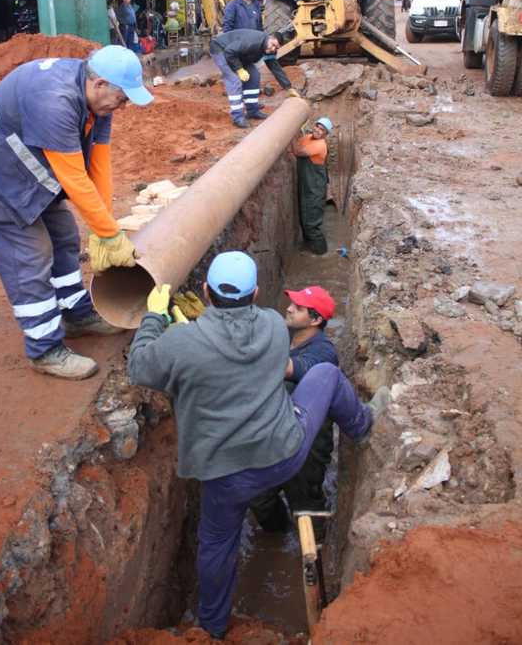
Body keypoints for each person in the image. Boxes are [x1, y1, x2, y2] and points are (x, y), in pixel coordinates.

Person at [128, 251, 390, 640]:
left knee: (217, 543)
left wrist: (154, 317)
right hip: (284, 452)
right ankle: (362, 425)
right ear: (254, 296)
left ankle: (212, 627)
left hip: (225, 474)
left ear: (204, 291)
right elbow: (239, 349)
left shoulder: (182, 344)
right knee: (326, 374)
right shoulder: (271, 325)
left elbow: (139, 366)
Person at [0, 47, 153, 380]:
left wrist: (104, 228)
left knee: (63, 234)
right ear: (100, 84)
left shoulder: (98, 104)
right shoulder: (54, 100)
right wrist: (107, 234)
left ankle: (76, 314)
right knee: (29, 253)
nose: (124, 105)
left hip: (25, 168)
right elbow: (73, 176)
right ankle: (44, 349)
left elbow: (98, 164)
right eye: (123, 98)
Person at [250, 285, 338, 531]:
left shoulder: (324, 353)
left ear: (316, 320)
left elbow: (293, 368)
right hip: (273, 437)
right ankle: (277, 532)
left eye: (298, 308)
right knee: (258, 498)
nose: (288, 308)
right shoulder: (288, 338)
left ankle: (315, 553)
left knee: (306, 509)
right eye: (291, 303)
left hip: (306, 446)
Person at [209, 29, 298, 128]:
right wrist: (239, 69)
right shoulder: (253, 42)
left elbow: (275, 67)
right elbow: (229, 52)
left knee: (254, 76)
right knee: (234, 80)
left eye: (276, 47)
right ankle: (237, 117)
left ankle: (252, 111)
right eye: (273, 44)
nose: (273, 49)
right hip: (220, 49)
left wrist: (288, 87)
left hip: (239, 54)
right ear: (270, 38)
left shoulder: (269, 50)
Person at [291, 116, 332, 255]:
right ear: (314, 126)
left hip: (315, 188)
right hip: (306, 185)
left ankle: (321, 251)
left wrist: (290, 135)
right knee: (304, 217)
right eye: (317, 127)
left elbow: (297, 151)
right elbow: (298, 144)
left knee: (312, 222)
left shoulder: (320, 145)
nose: (318, 131)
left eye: (322, 130)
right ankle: (309, 245)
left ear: (325, 134)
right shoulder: (308, 137)